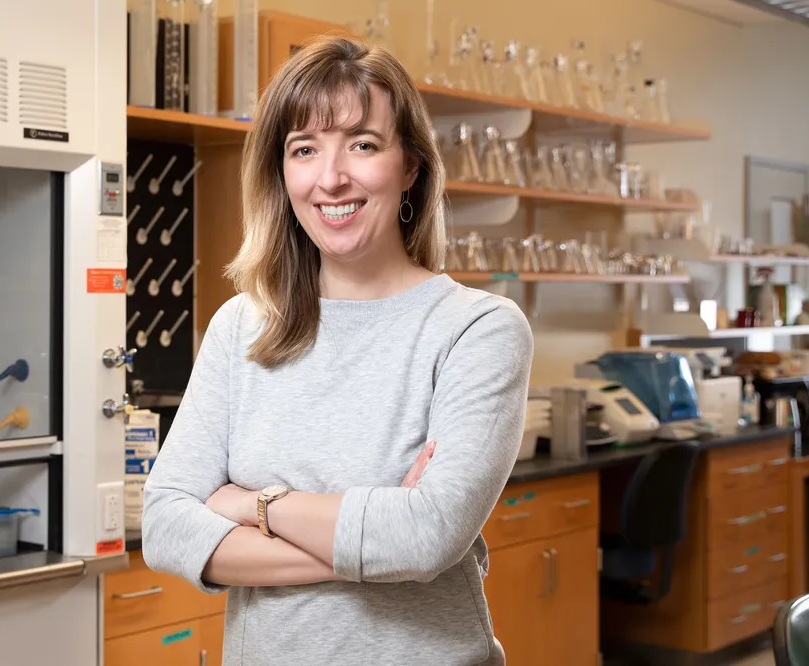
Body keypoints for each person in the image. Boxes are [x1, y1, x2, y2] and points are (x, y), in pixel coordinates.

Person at [141, 35, 533, 666]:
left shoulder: (475, 329)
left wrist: (252, 505)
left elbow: (424, 538)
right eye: (304, 150)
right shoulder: (242, 326)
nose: (331, 178)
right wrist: (371, 544)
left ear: (409, 167)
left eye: (362, 144)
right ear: (282, 174)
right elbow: (163, 525)